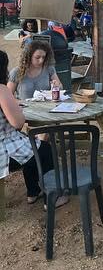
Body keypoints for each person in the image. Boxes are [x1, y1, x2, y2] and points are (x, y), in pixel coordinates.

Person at [0, 50, 60, 206]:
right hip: (4, 151)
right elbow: (18, 123)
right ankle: (52, 197)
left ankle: (33, 192)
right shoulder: (1, 90)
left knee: (32, 144)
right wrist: (16, 108)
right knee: (45, 150)